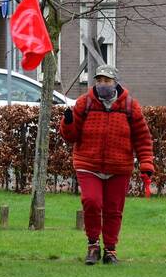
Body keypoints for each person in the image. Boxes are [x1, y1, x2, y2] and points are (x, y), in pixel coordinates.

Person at [59, 64, 154, 265]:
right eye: (99, 80)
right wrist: (67, 122)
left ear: (115, 83)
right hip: (88, 164)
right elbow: (71, 136)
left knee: (114, 210)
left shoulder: (130, 106)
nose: (103, 84)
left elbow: (142, 138)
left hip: (119, 167)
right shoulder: (84, 103)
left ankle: (110, 250)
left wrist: (146, 164)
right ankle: (93, 246)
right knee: (92, 202)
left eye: (107, 81)